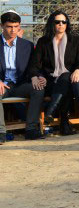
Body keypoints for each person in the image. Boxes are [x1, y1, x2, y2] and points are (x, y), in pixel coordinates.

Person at [28, 11, 79, 136]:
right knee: (64, 86)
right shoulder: (43, 41)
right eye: (57, 22)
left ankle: (51, 111)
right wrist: (37, 76)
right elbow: (34, 65)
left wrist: (78, 70)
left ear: (67, 24)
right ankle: (64, 123)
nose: (61, 24)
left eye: (64, 22)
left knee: (65, 77)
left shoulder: (74, 40)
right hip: (49, 81)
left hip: (69, 79)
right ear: (52, 23)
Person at [0, 11, 46, 143]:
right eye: (9, 26)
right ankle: (1, 132)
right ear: (2, 26)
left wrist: (37, 76)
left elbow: (34, 66)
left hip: (20, 84)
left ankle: (31, 129)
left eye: (16, 26)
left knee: (38, 88)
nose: (13, 30)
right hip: (3, 84)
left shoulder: (27, 45)